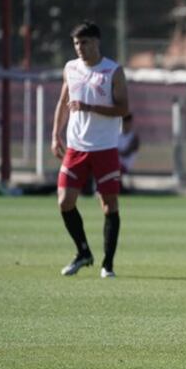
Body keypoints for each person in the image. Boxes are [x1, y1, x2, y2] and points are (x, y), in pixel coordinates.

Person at [51, 21, 129, 278]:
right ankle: (83, 252)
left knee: (109, 205)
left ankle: (108, 264)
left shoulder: (112, 71)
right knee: (65, 201)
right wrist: (55, 135)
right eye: (76, 43)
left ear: (96, 42)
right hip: (76, 147)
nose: (80, 48)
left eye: (84, 42)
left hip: (105, 148)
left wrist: (90, 107)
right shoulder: (70, 68)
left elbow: (123, 110)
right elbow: (64, 101)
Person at [117, 113, 141, 191]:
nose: (126, 124)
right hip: (115, 162)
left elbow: (126, 153)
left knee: (116, 168)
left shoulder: (134, 137)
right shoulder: (117, 134)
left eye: (128, 122)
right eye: (124, 122)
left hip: (125, 164)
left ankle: (120, 188)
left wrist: (115, 151)